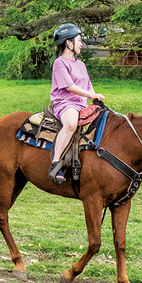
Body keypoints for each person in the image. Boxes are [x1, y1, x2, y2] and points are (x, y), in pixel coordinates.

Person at [47, 22, 104, 184]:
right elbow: (68, 86)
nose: (81, 44)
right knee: (71, 124)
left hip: (81, 104)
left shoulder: (80, 64)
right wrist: (90, 94)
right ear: (68, 43)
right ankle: (56, 162)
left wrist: (94, 97)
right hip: (65, 104)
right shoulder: (60, 63)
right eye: (78, 40)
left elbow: (88, 84)